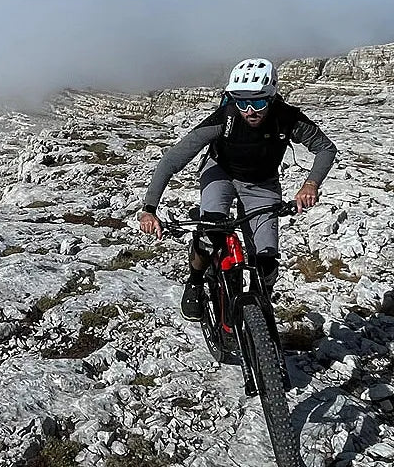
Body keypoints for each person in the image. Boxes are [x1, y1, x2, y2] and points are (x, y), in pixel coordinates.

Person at [136, 58, 338, 320]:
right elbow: (172, 160)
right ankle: (196, 281)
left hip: (261, 182)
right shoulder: (226, 116)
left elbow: (325, 148)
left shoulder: (288, 118)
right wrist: (149, 209)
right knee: (210, 234)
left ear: (273, 96)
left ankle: (259, 308)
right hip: (219, 173)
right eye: (241, 102)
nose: (249, 111)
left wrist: (311, 183)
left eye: (258, 102)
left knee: (266, 260)